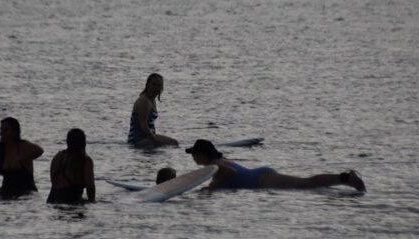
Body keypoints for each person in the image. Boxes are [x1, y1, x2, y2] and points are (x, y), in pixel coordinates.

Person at [185, 139, 366, 192]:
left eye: (194, 154)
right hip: (261, 177)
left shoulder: (215, 166)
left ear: (202, 154)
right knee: (306, 184)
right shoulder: (218, 162)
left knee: (307, 184)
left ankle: (346, 178)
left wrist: (211, 188)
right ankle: (344, 179)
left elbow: (230, 172)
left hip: (262, 181)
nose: (193, 157)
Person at [0, 117, 43, 197]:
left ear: (15, 132)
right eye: (1, 130)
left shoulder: (22, 146)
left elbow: (39, 150)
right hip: (6, 192)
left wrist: (20, 158)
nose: (2, 133)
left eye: (6, 130)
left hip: (26, 195)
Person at [127, 73, 179, 148]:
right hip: (137, 140)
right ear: (147, 85)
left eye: (159, 85)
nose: (156, 88)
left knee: (173, 143)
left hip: (147, 138)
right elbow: (143, 126)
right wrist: (156, 141)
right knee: (172, 144)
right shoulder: (144, 101)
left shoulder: (151, 100)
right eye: (153, 84)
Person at [47, 128, 96, 204]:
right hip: (71, 201)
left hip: (52, 199)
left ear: (67, 142)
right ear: (84, 143)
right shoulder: (85, 160)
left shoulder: (58, 156)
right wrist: (92, 201)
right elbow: (90, 187)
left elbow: (53, 180)